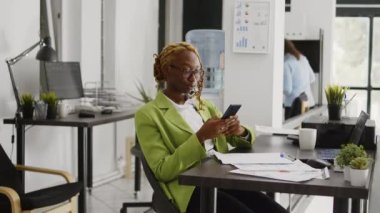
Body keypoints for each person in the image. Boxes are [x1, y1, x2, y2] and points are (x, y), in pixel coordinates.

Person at [135, 42, 288, 213]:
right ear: (167, 70)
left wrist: (239, 131)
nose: (194, 78)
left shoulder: (203, 106)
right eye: (187, 71)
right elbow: (162, 170)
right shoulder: (148, 114)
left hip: (221, 178)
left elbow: (244, 138)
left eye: (197, 71)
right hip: (191, 189)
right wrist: (200, 137)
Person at [283, 39, 316, 119]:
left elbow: (287, 90)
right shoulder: (303, 59)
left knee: (291, 131)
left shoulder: (287, 64)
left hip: (294, 106)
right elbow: (312, 78)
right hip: (308, 103)